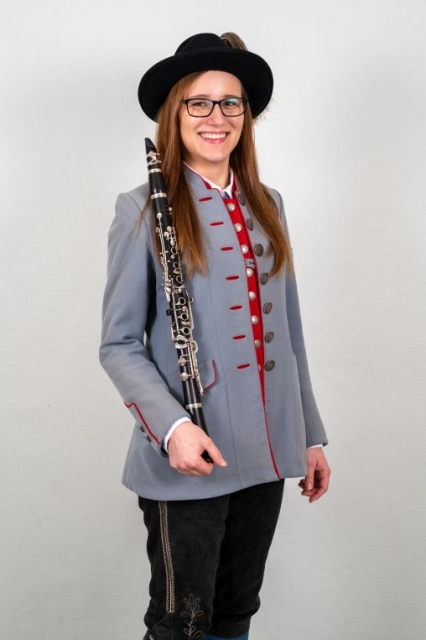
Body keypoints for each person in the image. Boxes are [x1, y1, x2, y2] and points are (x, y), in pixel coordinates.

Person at [100, 32, 330, 640]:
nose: (217, 117)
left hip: (269, 451)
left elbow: (290, 334)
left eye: (231, 103)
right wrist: (172, 428)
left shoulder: (268, 203)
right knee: (182, 623)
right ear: (174, 114)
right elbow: (118, 344)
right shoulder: (142, 209)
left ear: (245, 116)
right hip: (191, 454)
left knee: (235, 615)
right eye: (198, 103)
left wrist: (307, 434)